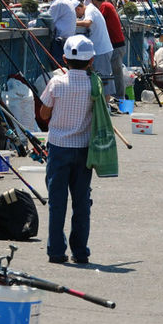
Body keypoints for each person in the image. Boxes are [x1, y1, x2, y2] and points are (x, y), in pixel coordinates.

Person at [39, 35, 96, 264]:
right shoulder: (94, 84)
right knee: (82, 201)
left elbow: (43, 114)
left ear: (64, 58)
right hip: (83, 149)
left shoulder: (56, 83)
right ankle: (80, 251)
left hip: (58, 148)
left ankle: (56, 251)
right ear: (91, 60)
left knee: (57, 201)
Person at [92, 0, 127, 102]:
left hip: (116, 44)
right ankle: (118, 97)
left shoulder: (105, 6)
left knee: (115, 73)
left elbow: (97, 20)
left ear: (94, 1)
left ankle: (119, 97)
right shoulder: (108, 5)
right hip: (118, 44)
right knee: (116, 72)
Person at [76, 0, 114, 99]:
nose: (78, 16)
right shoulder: (91, 9)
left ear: (78, 9)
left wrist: (72, 22)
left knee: (104, 79)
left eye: (76, 14)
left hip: (102, 50)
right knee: (99, 79)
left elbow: (88, 23)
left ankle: (106, 107)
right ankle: (103, 105)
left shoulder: (89, 10)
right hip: (100, 50)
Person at [41, 0, 76, 67]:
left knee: (58, 68)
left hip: (59, 43)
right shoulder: (65, 0)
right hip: (67, 42)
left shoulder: (58, 3)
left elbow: (46, 20)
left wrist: (29, 23)